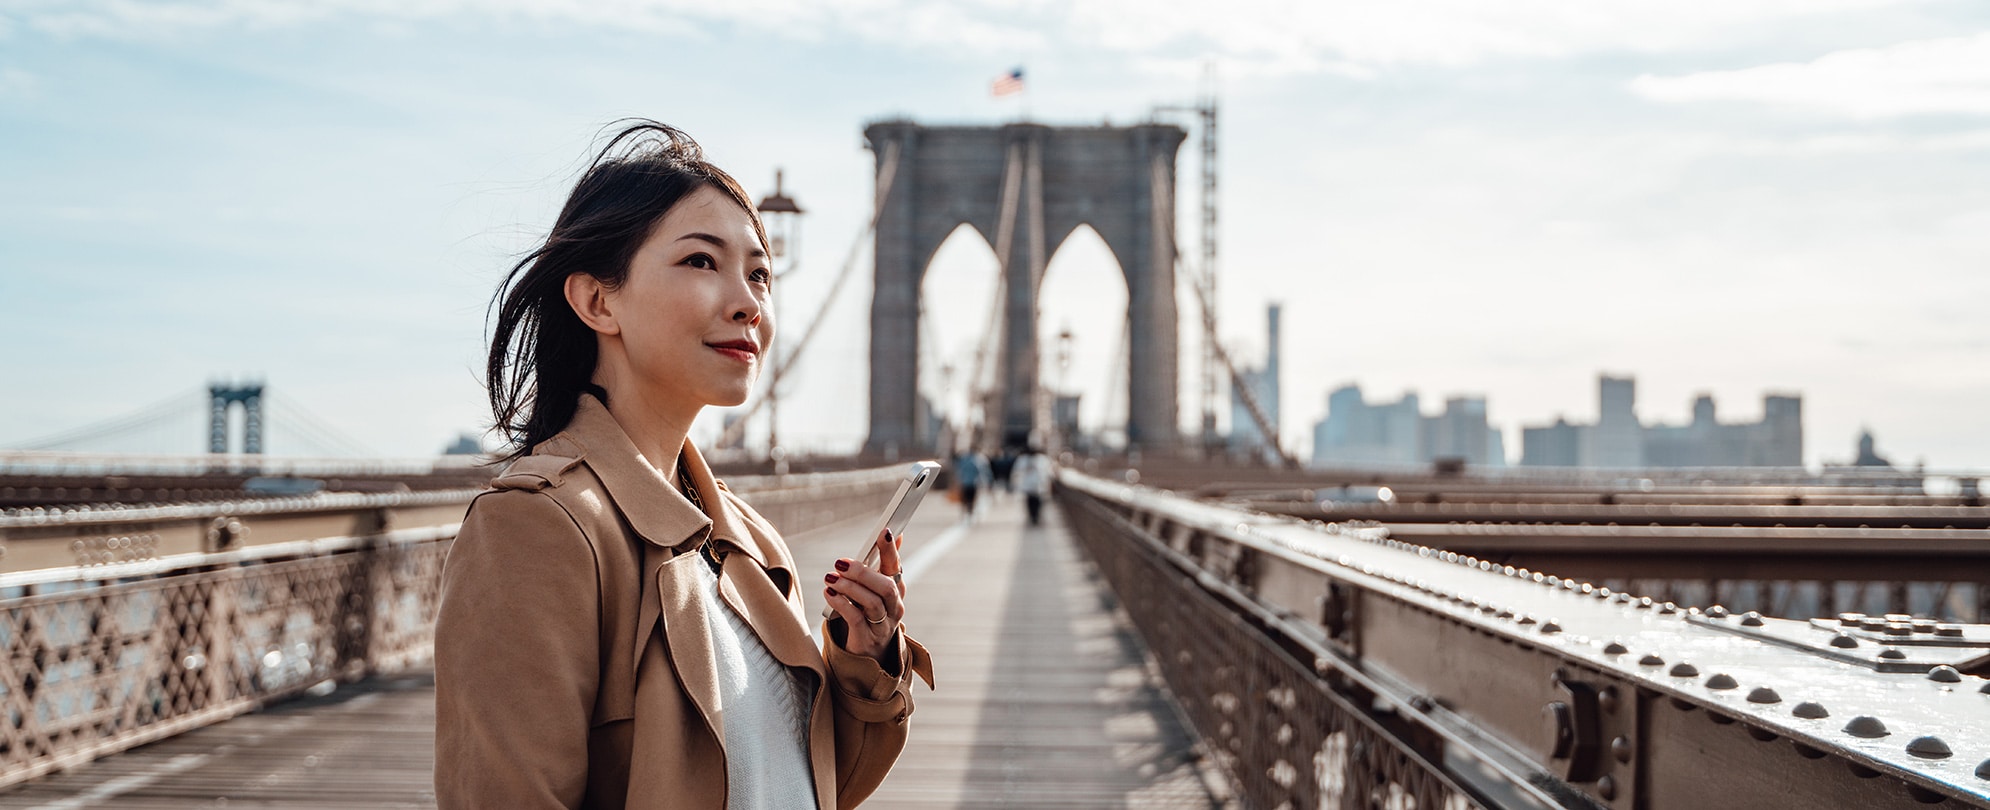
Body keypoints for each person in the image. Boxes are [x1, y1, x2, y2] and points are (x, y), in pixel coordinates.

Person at [434, 121, 933, 810]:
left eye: (759, 272)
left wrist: (865, 662)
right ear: (596, 301)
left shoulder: (751, 541)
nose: (749, 302)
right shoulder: (535, 528)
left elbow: (799, 783)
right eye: (702, 262)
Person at [1012, 445, 1052, 526]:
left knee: (1037, 502)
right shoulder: (1023, 459)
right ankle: (1032, 516)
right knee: (1030, 501)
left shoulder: (1042, 459)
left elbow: (1047, 472)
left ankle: (1036, 516)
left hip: (1038, 484)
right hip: (1029, 485)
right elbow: (1017, 471)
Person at [954, 448, 990, 520]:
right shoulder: (976, 461)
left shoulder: (963, 461)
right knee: (971, 499)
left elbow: (959, 471)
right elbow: (979, 472)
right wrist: (984, 482)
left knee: (964, 499)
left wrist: (958, 480)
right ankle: (970, 512)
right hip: (973, 483)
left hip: (964, 482)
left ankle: (963, 513)